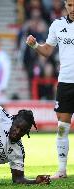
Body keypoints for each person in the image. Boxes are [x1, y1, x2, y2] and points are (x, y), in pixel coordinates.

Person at [26, 0, 74, 180]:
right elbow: (47, 50)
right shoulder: (57, 25)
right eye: (70, 5)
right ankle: (61, 170)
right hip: (66, 82)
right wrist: (34, 46)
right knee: (62, 127)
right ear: (65, 5)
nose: (73, 8)